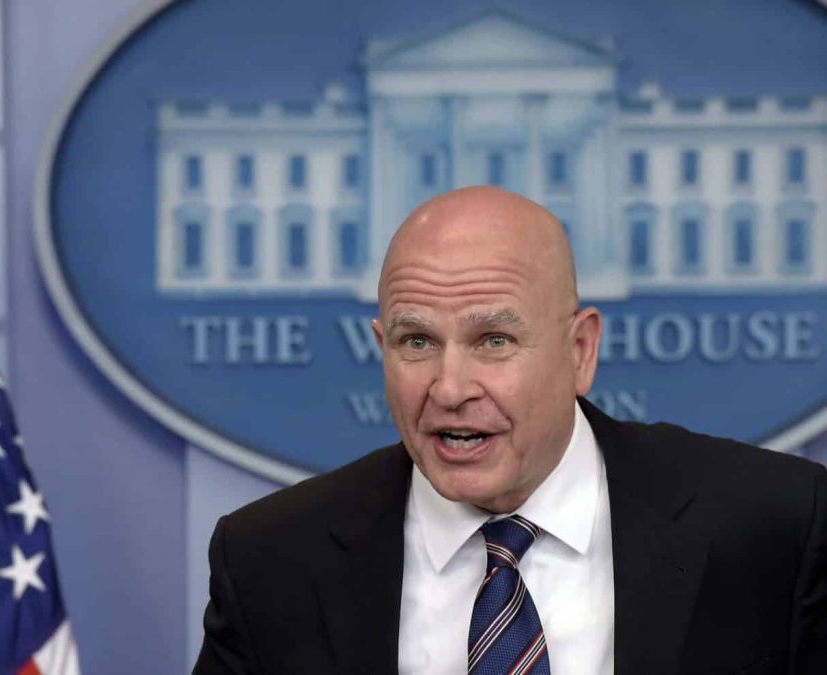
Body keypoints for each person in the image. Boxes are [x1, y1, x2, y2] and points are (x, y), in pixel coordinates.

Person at [192, 187, 827, 674]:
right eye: (417, 342)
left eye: (494, 340)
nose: (449, 389)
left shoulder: (779, 527)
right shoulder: (270, 560)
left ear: (579, 351)